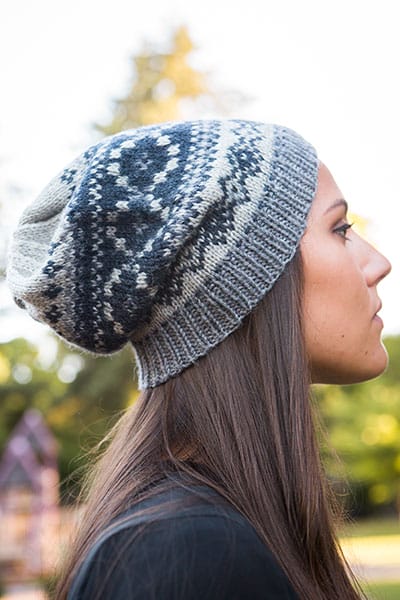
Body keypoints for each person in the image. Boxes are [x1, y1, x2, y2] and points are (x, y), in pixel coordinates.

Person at [7, 120, 391, 599]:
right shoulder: (191, 553)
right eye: (340, 229)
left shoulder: (210, 534)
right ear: (240, 284)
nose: (378, 263)